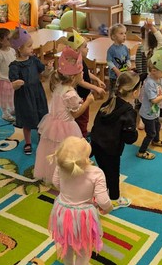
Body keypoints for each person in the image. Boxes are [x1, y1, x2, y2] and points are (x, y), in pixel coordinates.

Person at [49, 136, 113, 265]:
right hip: (83, 217)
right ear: (85, 157)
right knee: (83, 249)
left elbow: (55, 183)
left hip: (62, 211)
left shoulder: (61, 165)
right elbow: (103, 200)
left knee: (67, 241)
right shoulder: (96, 173)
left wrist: (68, 193)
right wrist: (108, 208)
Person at [34, 46, 95, 184]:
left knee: (53, 149)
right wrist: (88, 101)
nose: (83, 74)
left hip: (52, 124)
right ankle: (65, 175)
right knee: (67, 150)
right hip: (66, 127)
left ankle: (52, 173)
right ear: (74, 77)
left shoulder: (59, 86)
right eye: (81, 72)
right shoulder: (71, 93)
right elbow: (76, 114)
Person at [90, 71, 141, 209]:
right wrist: (135, 132)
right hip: (111, 149)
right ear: (135, 92)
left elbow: (96, 123)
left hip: (96, 144)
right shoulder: (129, 112)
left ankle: (102, 190)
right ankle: (114, 199)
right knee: (113, 174)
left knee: (103, 170)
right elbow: (129, 139)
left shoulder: (108, 102)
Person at [8, 27, 50, 155]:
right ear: (19, 49)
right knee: (27, 119)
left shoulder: (34, 60)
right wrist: (16, 84)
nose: (32, 48)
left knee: (41, 116)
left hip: (37, 93)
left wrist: (48, 70)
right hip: (24, 97)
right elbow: (12, 85)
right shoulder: (14, 66)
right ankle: (27, 142)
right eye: (29, 46)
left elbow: (44, 74)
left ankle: (41, 137)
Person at [58, 30, 105, 138]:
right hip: (80, 96)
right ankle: (81, 136)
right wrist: (96, 88)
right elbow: (80, 81)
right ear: (76, 50)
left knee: (84, 117)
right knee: (82, 118)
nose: (87, 49)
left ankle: (82, 132)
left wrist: (96, 79)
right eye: (85, 47)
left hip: (84, 94)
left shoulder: (80, 61)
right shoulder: (75, 63)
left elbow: (86, 73)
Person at [137, 51, 162, 160]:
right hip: (147, 114)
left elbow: (161, 91)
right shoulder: (149, 83)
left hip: (154, 112)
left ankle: (155, 141)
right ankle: (141, 151)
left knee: (157, 127)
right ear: (154, 71)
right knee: (151, 133)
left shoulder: (158, 79)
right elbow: (154, 100)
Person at [106, 23, 131, 94]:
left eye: (125, 33)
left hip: (123, 75)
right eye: (121, 33)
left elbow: (128, 58)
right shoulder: (111, 49)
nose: (124, 35)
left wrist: (128, 64)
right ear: (114, 36)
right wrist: (116, 70)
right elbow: (109, 62)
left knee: (122, 93)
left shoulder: (125, 48)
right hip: (114, 77)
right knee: (113, 94)